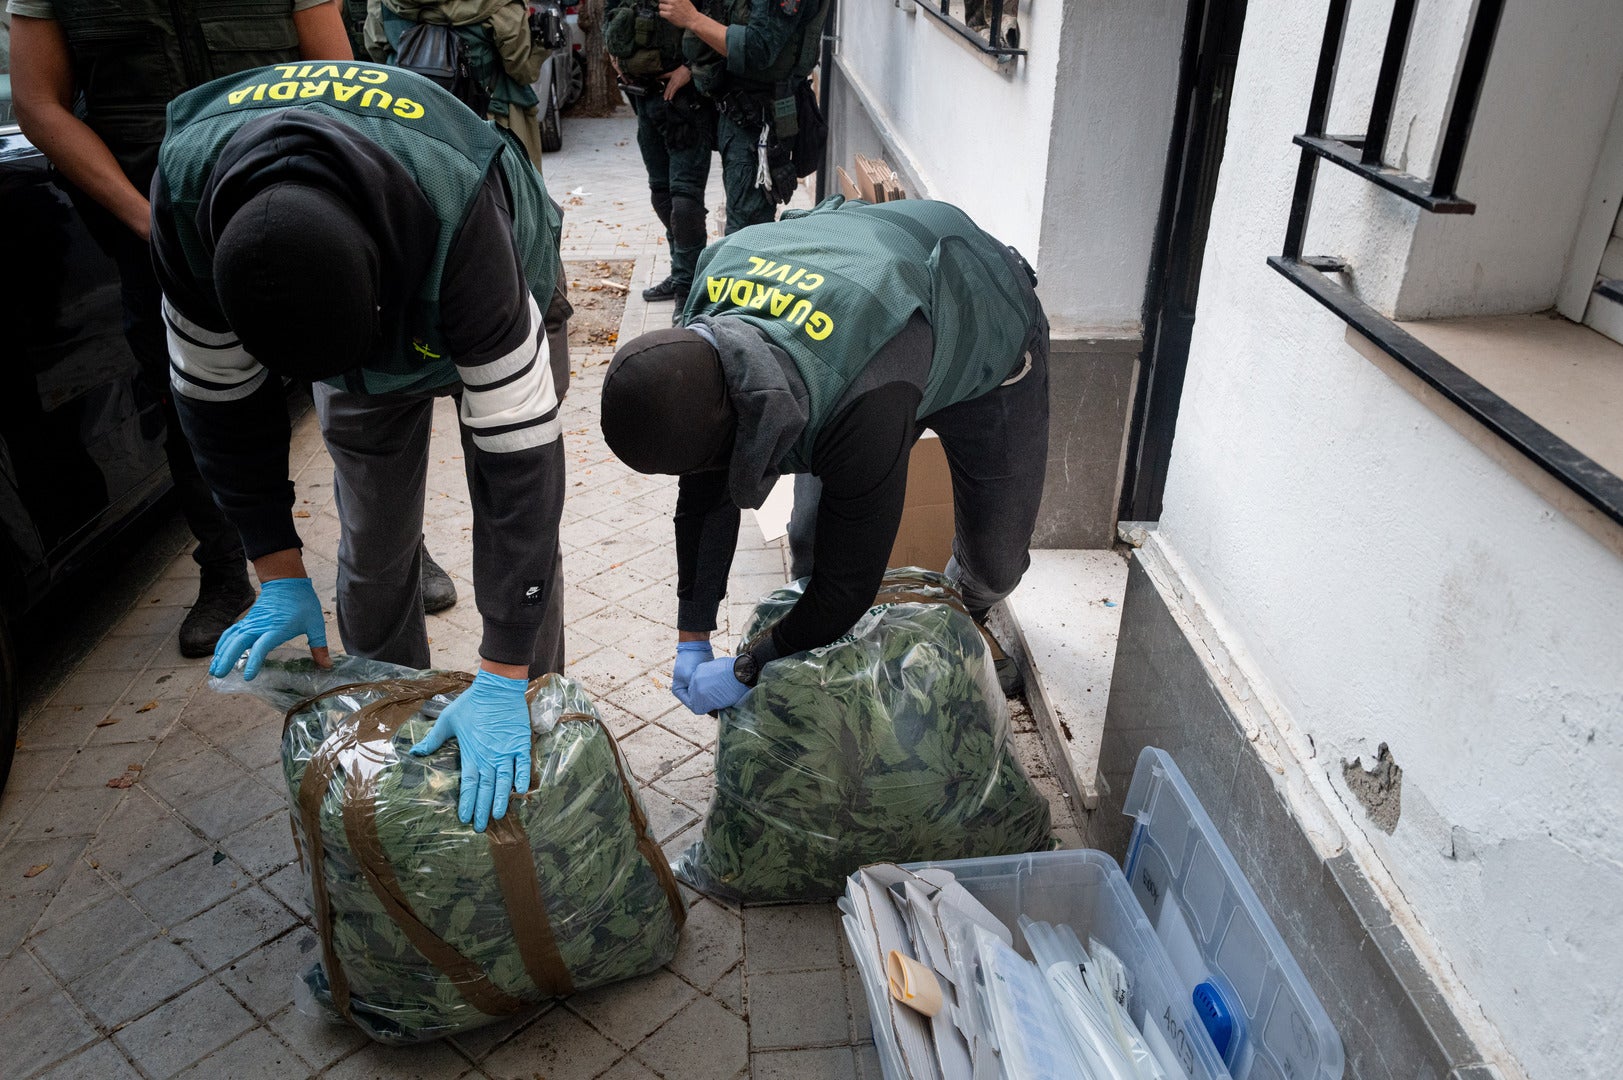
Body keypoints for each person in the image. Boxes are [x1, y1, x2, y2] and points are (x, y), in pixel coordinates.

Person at [151, 62, 569, 831]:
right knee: (374, 536)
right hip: (355, 283)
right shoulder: (184, 200)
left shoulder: (459, 209)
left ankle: (531, 731)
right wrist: (275, 567)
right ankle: (386, 737)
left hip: (498, 278)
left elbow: (524, 469)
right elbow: (217, 406)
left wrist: (504, 669)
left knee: (519, 537)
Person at [3, 1, 472, 659]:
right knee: (194, 403)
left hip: (297, 208)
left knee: (352, 385)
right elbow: (38, 103)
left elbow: (340, 74)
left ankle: (392, 549)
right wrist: (155, 223)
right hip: (152, 221)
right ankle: (229, 568)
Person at [600, 197, 1049, 714]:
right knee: (812, 538)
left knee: (995, 563)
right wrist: (692, 632)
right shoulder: (706, 310)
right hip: (879, 316)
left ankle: (957, 635)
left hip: (983, 326)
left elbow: (848, 584)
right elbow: (706, 485)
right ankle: (832, 670)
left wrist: (750, 667)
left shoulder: (861, 399)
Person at [657, 0, 829, 234]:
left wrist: (693, 19)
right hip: (739, 113)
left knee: (746, 232)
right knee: (742, 222)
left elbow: (759, 49)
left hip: (758, 120)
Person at [605, 0, 716, 311]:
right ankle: (683, 270)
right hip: (646, 100)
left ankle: (688, 290)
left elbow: (717, 21)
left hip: (686, 102)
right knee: (662, 196)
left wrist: (690, 69)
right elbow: (609, 15)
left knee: (684, 203)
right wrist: (615, 57)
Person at [368, 0, 548, 168]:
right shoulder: (499, 5)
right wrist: (543, 45)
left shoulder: (383, 3)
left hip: (410, 121)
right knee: (507, 195)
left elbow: (376, 50)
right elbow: (522, 69)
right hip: (489, 122)